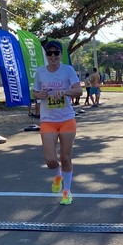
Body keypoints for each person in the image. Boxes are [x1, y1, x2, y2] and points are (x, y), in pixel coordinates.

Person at [32, 39, 82, 206]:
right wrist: (40, 95)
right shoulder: (40, 72)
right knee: (50, 160)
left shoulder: (68, 70)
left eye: (56, 53)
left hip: (66, 119)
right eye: (49, 53)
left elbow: (79, 91)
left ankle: (67, 191)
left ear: (61, 54)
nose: (53, 56)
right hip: (48, 120)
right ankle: (58, 175)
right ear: (46, 55)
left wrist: (65, 92)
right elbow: (35, 92)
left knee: (66, 158)